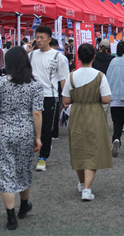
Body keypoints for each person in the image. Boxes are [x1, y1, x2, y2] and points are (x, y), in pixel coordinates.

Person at [0, 47, 43, 230]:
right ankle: (24, 205)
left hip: (4, 131)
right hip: (25, 131)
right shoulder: (35, 85)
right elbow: (37, 113)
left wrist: (2, 107)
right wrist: (38, 137)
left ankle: (11, 216)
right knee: (23, 168)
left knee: (6, 172)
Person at [63, 42, 112, 201]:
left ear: (78, 57)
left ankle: (82, 183)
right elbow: (106, 99)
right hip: (94, 113)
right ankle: (87, 189)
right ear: (93, 57)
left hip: (77, 113)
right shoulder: (100, 76)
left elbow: (66, 100)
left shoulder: (71, 76)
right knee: (92, 149)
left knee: (78, 148)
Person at [27, 25, 69, 172]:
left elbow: (63, 79)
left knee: (46, 128)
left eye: (42, 37)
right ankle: (30, 154)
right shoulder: (31, 55)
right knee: (30, 127)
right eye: (37, 37)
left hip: (50, 96)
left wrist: (65, 98)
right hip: (32, 95)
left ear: (49, 39)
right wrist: (26, 52)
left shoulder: (58, 56)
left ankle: (43, 157)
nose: (38, 40)